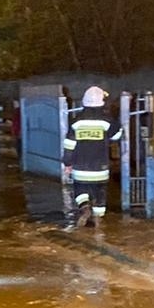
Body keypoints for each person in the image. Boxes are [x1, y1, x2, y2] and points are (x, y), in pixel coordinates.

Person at [63, 85, 121, 229]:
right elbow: (117, 136)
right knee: (100, 193)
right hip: (100, 167)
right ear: (102, 102)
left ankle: (84, 207)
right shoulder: (107, 121)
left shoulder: (76, 121)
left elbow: (69, 144)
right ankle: (98, 222)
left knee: (80, 190)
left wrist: (67, 163)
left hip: (80, 167)